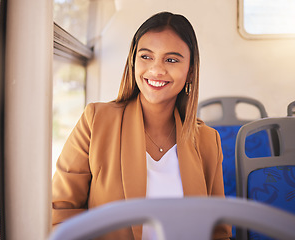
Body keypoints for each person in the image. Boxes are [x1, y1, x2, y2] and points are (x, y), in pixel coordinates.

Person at [52, 11, 232, 240]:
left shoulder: (207, 140)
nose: (156, 70)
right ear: (133, 62)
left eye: (172, 59)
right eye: (146, 57)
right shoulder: (96, 121)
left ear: (190, 72)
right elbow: (59, 210)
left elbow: (218, 232)